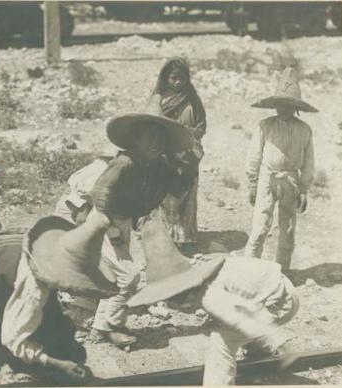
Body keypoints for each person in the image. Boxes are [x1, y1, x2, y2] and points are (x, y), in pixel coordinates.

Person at [56, 99, 195, 347]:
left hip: (123, 220)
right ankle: (109, 327)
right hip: (103, 219)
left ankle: (98, 326)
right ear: (135, 140)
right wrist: (109, 228)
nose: (155, 144)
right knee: (128, 276)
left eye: (161, 140)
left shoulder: (157, 165)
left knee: (114, 274)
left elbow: (177, 189)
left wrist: (187, 165)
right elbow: (101, 194)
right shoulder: (125, 162)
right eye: (149, 137)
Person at [0, 215, 117, 387]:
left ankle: (46, 373)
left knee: (54, 323)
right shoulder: (33, 288)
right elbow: (13, 340)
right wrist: (56, 363)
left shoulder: (41, 248)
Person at [127, 231, 299, 386]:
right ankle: (258, 353)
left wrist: (279, 342)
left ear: (183, 294)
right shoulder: (202, 269)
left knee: (221, 344)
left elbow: (243, 315)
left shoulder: (211, 298)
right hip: (272, 289)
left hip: (281, 302)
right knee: (229, 325)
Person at [244, 67, 317, 273]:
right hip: (267, 178)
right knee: (260, 225)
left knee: (288, 228)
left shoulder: (304, 130)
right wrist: (252, 182)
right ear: (274, 104)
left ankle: (282, 271)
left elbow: (309, 161)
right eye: (280, 104)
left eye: (289, 105)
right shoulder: (264, 126)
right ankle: (250, 270)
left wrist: (303, 189)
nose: (283, 109)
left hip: (291, 180)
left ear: (296, 107)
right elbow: (254, 156)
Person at [152, 57, 207, 254]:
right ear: (166, 78)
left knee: (188, 197)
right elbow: (151, 126)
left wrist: (189, 135)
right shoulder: (159, 99)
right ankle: (168, 240)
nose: (177, 82)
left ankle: (187, 238)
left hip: (189, 153)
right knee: (168, 199)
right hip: (167, 154)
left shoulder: (192, 97)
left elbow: (202, 125)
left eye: (181, 78)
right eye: (173, 78)